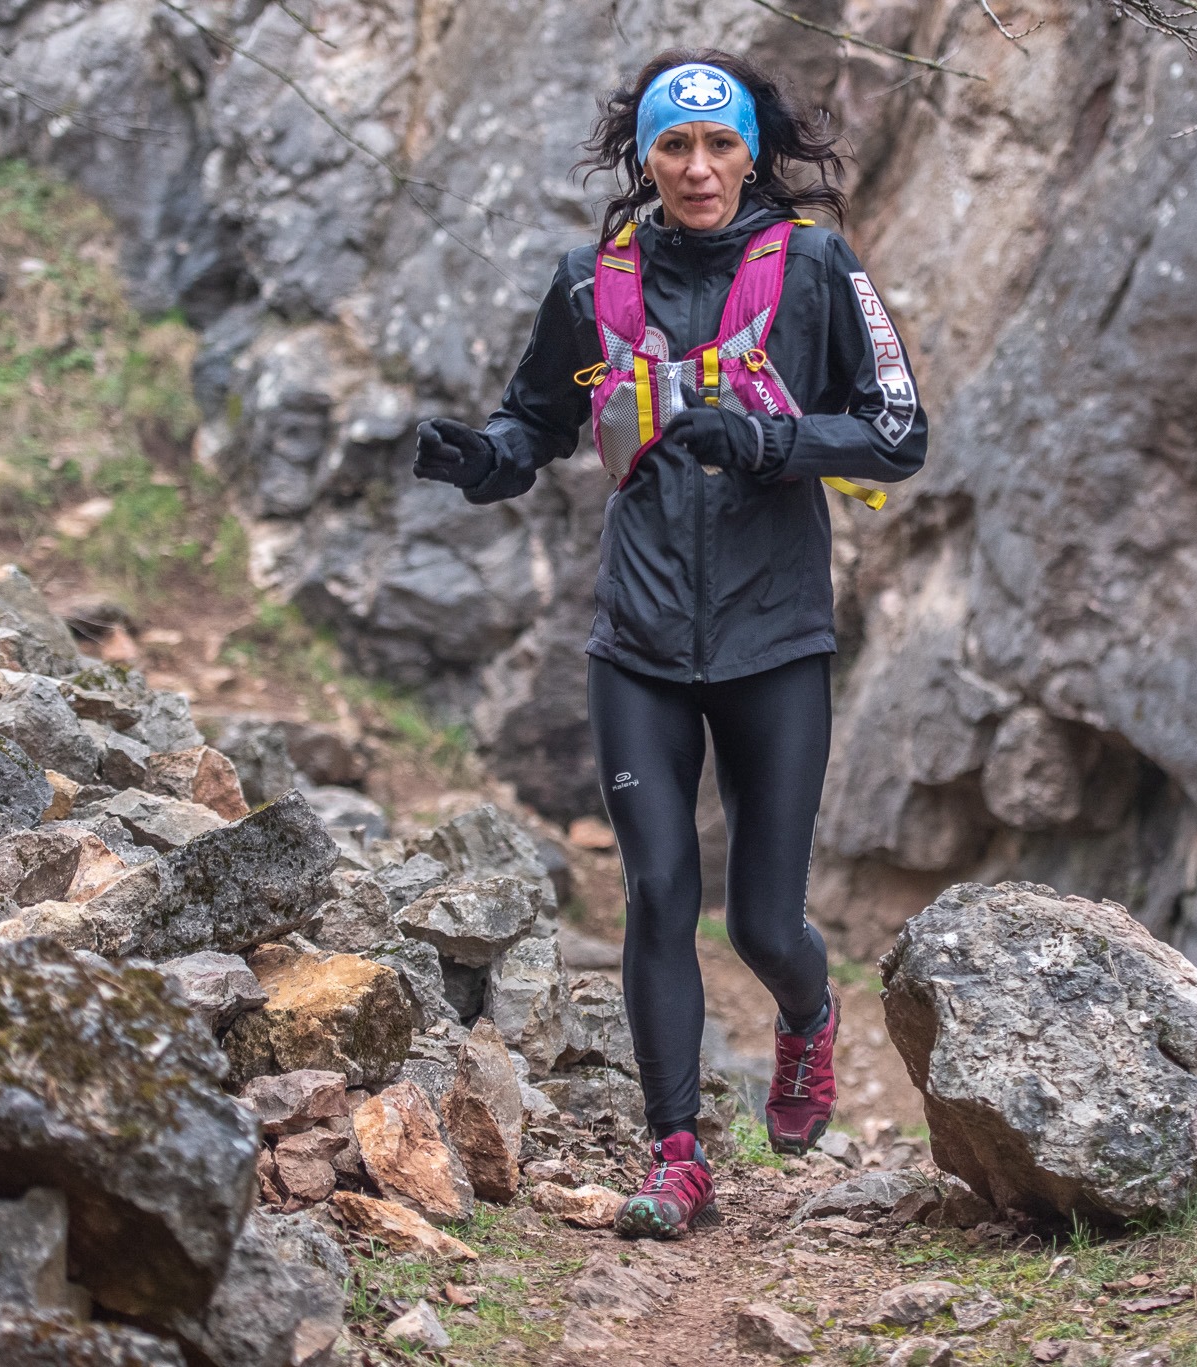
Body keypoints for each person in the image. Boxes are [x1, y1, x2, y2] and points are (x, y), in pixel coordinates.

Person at [413, 48, 927, 1239]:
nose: (697, 170)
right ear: (643, 155)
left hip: (775, 637)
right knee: (655, 891)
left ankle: (805, 1017)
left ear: (753, 151)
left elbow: (896, 434)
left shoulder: (811, 265)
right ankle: (678, 1153)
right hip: (636, 638)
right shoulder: (590, 280)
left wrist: (764, 445)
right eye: (673, 147)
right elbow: (533, 419)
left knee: (757, 920)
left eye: (720, 145)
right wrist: (481, 461)